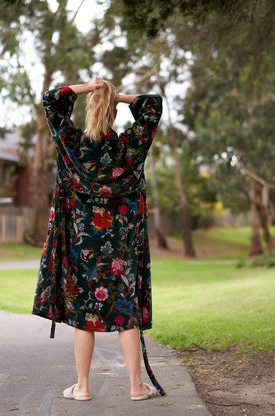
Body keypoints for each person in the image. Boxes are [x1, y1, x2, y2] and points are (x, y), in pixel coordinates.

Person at [32, 76, 164, 401]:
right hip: (120, 248)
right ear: (114, 115)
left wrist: (89, 90)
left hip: (82, 247)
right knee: (125, 314)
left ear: (88, 112)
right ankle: (135, 386)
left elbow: (51, 99)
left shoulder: (72, 145)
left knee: (84, 315)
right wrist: (115, 97)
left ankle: (83, 387)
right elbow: (152, 105)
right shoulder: (128, 148)